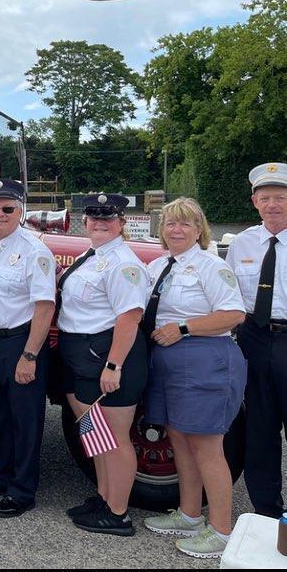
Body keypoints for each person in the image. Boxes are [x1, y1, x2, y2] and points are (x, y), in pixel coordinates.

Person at [140, 197, 246, 558]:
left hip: (204, 357)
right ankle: (189, 514)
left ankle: (221, 531)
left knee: (206, 445)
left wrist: (184, 328)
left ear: (199, 230)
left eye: (185, 223)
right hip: (167, 359)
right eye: (170, 223)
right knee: (179, 439)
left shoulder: (210, 266)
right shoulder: (157, 266)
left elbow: (233, 314)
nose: (177, 229)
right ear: (162, 230)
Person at [58, 193, 149, 536]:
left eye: (108, 217)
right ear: (85, 221)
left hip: (107, 357)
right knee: (94, 434)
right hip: (82, 354)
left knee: (114, 438)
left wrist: (114, 366)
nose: (99, 221)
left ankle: (118, 514)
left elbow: (129, 318)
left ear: (122, 223)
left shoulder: (123, 263)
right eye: (93, 216)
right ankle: (103, 496)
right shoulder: (90, 255)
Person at [0, 179, 56, 518]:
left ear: (20, 211)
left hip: (21, 343)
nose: (0, 214)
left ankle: (22, 491)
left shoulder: (36, 251)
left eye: (8, 208)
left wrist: (30, 356)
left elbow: (44, 307)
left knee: (25, 421)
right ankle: (2, 477)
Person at [225, 162, 287, 519]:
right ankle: (267, 512)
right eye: (266, 198)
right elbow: (230, 294)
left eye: (280, 197)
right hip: (255, 338)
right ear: (254, 202)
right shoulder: (244, 243)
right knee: (260, 428)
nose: (273, 204)